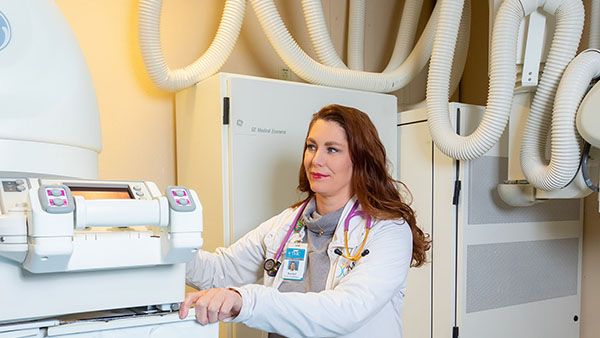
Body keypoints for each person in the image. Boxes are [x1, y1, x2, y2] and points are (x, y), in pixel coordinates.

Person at [180, 104, 430, 337]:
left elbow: (346, 310)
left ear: (360, 159)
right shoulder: (286, 224)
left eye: (332, 149)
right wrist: (162, 248)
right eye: (311, 146)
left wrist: (246, 300)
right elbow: (221, 270)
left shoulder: (388, 230)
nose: (316, 160)